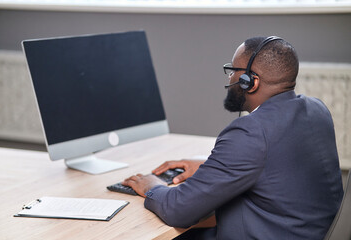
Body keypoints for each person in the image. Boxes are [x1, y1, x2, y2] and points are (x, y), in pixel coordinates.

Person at [122, 36, 344, 239]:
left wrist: (152, 185)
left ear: (250, 81)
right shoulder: (317, 109)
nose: (230, 77)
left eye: (233, 70)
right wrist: (212, 168)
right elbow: (281, 164)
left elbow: (178, 210)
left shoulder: (250, 132)